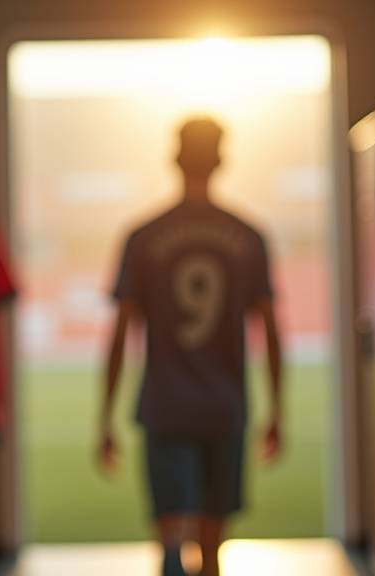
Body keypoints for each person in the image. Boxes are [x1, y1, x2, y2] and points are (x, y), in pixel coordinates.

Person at [98, 117, 283, 576]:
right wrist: (277, 411)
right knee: (212, 553)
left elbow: (121, 336)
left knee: (170, 548)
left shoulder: (142, 237)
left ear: (175, 158)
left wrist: (104, 417)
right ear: (221, 159)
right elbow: (273, 332)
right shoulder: (249, 236)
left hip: (165, 407)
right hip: (225, 406)